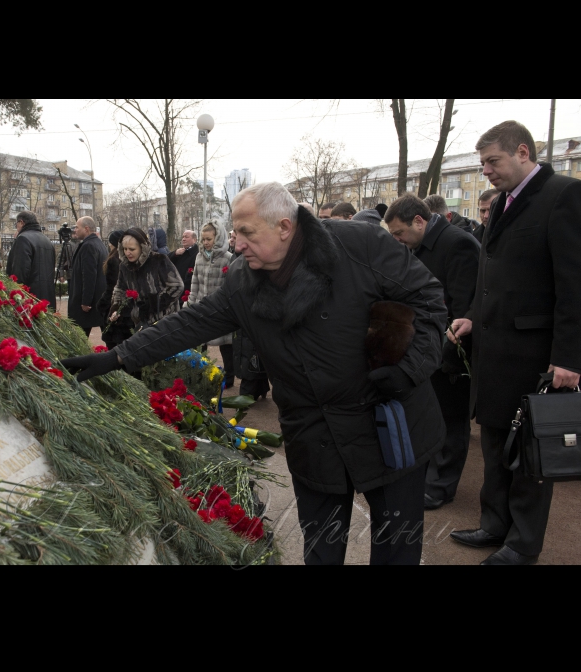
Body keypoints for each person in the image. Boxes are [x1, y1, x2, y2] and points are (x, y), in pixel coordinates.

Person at [63, 182, 448, 566]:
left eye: (247, 232)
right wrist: (116, 357)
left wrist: (409, 369)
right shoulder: (243, 283)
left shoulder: (358, 244)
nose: (238, 242)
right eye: (235, 232)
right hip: (314, 432)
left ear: (284, 227)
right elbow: (188, 324)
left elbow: (429, 299)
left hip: (388, 419)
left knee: (397, 546)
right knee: (322, 548)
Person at [447, 120, 581, 566]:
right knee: (494, 443)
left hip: (534, 354)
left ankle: (522, 545)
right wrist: (471, 315)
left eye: (492, 161)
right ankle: (494, 524)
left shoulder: (562, 195)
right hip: (493, 350)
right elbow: (492, 276)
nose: (485, 170)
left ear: (523, 152)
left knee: (528, 454)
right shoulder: (502, 202)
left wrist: (568, 358)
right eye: (482, 163)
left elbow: (573, 286)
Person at [386, 194, 480, 511]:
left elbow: (464, 303)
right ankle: (427, 477)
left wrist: (447, 348)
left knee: (451, 420)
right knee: (430, 415)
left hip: (452, 348)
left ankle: (442, 486)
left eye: (400, 233)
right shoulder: (419, 246)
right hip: (426, 347)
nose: (398, 241)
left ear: (419, 221)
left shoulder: (458, 244)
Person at [188, 220, 236, 388]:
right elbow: (195, 283)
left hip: (220, 309)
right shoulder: (199, 257)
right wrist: (191, 304)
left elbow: (229, 285)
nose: (206, 243)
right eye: (203, 239)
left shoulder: (228, 258)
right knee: (199, 342)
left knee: (225, 345)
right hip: (202, 306)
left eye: (209, 239)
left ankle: (229, 377)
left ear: (218, 237)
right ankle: (199, 373)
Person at [108, 227, 184, 331]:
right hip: (140, 322)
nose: (127, 253)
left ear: (142, 247)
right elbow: (120, 289)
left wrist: (153, 303)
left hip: (165, 321)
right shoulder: (124, 266)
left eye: (132, 249)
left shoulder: (159, 260)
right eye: (125, 249)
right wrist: (116, 309)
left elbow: (177, 286)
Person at [68, 217, 109, 338]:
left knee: (78, 339)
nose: (75, 230)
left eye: (77, 227)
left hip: (87, 303)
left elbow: (89, 275)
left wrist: (86, 301)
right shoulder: (98, 243)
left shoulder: (88, 246)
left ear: (86, 229)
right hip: (97, 300)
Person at [6, 211, 57, 309]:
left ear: (21, 222)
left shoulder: (23, 239)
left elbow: (19, 273)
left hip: (30, 299)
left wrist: (15, 295)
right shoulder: (47, 241)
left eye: (16, 224)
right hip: (47, 297)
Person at [97, 231, 131, 351]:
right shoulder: (127, 259)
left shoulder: (113, 260)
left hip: (112, 305)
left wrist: (101, 304)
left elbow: (112, 286)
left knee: (112, 343)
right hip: (124, 306)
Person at [169, 230, 199, 300]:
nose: (183, 239)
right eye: (183, 237)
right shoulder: (180, 252)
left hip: (187, 293)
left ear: (194, 240)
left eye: (186, 237)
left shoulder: (197, 255)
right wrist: (175, 253)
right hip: (176, 290)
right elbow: (165, 261)